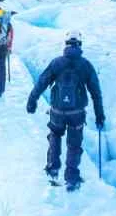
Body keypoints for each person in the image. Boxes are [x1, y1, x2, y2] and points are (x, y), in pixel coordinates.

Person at [26, 31, 105, 191]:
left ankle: (53, 169)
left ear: (66, 44)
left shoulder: (56, 63)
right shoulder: (86, 65)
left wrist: (32, 100)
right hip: (77, 113)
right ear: (79, 45)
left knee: (55, 135)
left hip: (57, 111)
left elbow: (41, 82)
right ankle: (72, 179)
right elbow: (96, 93)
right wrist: (99, 115)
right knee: (74, 145)